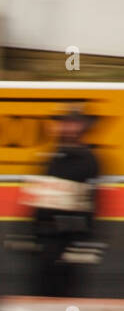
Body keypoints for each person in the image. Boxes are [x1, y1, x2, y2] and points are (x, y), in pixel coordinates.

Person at [21, 106, 102, 297]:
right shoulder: (52, 157)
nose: (65, 127)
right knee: (40, 292)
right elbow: (37, 199)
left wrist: (85, 243)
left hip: (69, 241)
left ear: (82, 127)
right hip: (45, 241)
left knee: (65, 296)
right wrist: (26, 232)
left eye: (71, 123)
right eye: (63, 123)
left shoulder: (89, 160)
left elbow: (93, 204)